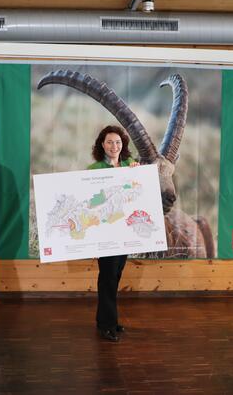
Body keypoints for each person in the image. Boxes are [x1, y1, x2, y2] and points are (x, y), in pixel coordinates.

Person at [88, 125, 139, 342]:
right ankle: (106, 325)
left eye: (117, 142)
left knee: (115, 277)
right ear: (102, 144)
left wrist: (138, 173)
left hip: (124, 233)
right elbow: (90, 204)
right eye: (109, 142)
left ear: (123, 145)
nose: (114, 146)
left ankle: (108, 320)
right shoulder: (93, 170)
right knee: (107, 278)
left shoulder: (130, 165)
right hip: (106, 234)